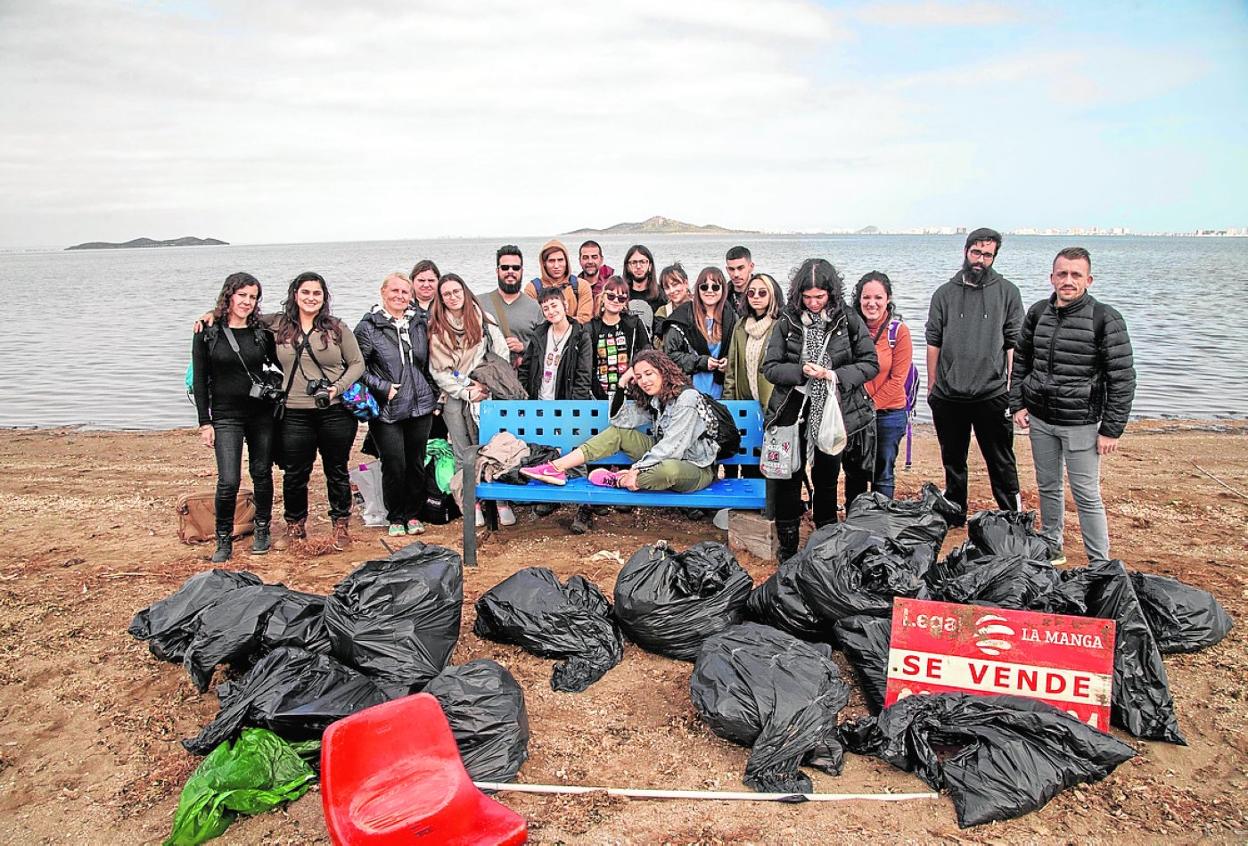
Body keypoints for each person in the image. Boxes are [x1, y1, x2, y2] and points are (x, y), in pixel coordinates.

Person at [1010, 247, 1136, 564]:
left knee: (1086, 495)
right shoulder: (1038, 313)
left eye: (1075, 274)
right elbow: (1022, 361)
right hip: (1040, 418)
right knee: (1048, 487)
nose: (1068, 280)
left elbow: (1122, 378)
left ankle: (1099, 562)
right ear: (1052, 278)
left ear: (1088, 280)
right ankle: (1052, 545)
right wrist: (1018, 404)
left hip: (1081, 423)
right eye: (1062, 274)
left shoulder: (1105, 319)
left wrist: (1111, 429)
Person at [763, 259, 878, 562]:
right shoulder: (786, 320)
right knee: (788, 476)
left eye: (820, 297)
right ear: (798, 294)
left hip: (833, 410)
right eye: (807, 297)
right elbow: (771, 368)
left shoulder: (848, 320)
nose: (813, 304)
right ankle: (788, 548)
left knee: (828, 477)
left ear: (832, 293)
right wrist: (801, 372)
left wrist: (834, 375)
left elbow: (870, 363)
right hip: (792, 409)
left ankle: (824, 541)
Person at [519, 349, 719, 495]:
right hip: (663, 457)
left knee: (669, 470)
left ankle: (619, 480)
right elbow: (620, 420)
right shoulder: (657, 399)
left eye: (649, 374)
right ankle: (555, 468)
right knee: (619, 433)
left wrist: (636, 469)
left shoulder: (687, 398)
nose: (644, 381)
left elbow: (673, 447)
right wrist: (622, 384)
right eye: (639, 377)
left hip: (695, 467)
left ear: (663, 371)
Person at [926, 227, 1024, 519]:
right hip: (949, 394)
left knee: (1001, 460)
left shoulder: (1008, 292)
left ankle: (1012, 515)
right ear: (966, 251)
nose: (981, 259)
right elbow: (934, 342)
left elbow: (1013, 344)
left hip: (992, 394)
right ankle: (955, 510)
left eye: (988, 255)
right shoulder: (944, 293)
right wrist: (932, 388)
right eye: (976, 252)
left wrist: (1012, 389)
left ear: (994, 257)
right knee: (953, 459)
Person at [272, 271, 366, 550]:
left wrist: (337, 388)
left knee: (336, 469)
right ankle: (295, 524)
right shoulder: (279, 326)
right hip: (294, 411)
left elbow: (357, 363)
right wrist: (209, 315)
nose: (311, 298)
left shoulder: (336, 328)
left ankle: (340, 525)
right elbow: (241, 317)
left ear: (324, 298)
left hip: (334, 410)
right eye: (306, 292)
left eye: (317, 293)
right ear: (295, 295)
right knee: (295, 472)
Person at [191, 272, 279, 562]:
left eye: (253, 297)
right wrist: (205, 422)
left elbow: (281, 363)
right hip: (226, 416)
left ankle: (263, 527)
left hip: (261, 415)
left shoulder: (261, 333)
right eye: (242, 295)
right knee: (228, 480)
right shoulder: (207, 332)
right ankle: (223, 537)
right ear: (229, 295)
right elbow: (201, 380)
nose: (247, 302)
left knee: (262, 473)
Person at [355, 272, 438, 538]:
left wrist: (432, 392)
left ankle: (414, 514)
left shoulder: (419, 323)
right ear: (383, 292)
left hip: (420, 405)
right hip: (386, 407)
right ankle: (395, 515)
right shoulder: (368, 327)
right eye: (395, 291)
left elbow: (431, 361)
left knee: (415, 461)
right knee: (394, 463)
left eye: (405, 292)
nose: (400, 296)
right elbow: (357, 367)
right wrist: (383, 388)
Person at [427, 272, 513, 528]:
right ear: (441, 300)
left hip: (486, 391)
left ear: (464, 291)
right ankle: (470, 502)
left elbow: (501, 353)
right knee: (462, 452)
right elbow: (439, 371)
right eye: (447, 294)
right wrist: (466, 390)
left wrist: (486, 382)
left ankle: (501, 502)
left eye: (456, 291)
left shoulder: (482, 319)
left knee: (492, 448)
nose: (453, 297)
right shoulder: (437, 329)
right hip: (456, 395)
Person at [852, 271, 913, 501]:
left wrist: (870, 406)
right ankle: (855, 522)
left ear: (887, 299)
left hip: (888, 414)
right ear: (859, 299)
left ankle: (882, 523)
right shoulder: (851, 330)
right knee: (855, 473)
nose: (872, 303)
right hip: (855, 415)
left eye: (878, 297)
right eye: (866, 297)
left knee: (883, 474)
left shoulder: (898, 332)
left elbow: (898, 380)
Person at [664, 266, 736, 400]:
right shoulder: (681, 317)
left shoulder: (732, 318)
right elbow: (669, 357)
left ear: (723, 290)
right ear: (697, 289)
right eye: (704, 287)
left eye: (715, 287)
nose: (709, 291)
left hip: (722, 391)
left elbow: (738, 354)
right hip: (688, 391)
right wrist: (701, 362)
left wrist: (728, 362)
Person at [519, 287, 595, 402]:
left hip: (565, 405)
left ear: (565, 305)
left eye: (554, 306)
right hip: (538, 402)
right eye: (546, 308)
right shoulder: (538, 335)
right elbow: (525, 369)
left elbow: (584, 376)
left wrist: (574, 406)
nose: (551, 311)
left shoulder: (580, 337)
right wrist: (526, 398)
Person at [723, 273, 782, 409]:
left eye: (762, 293)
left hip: (774, 405)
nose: (756, 296)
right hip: (746, 404)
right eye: (751, 292)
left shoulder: (781, 325)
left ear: (773, 295)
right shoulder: (740, 326)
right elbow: (731, 371)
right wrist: (729, 405)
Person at [481, 245, 544, 368]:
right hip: (488, 376)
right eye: (505, 267)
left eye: (515, 268)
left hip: (521, 377)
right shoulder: (479, 303)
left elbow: (545, 344)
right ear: (497, 271)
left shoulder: (534, 307)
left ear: (521, 271)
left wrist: (523, 347)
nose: (510, 271)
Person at [588, 276, 651, 400]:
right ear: (602, 297)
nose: (615, 301)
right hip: (598, 394)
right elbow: (586, 364)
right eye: (611, 296)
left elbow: (647, 355)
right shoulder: (590, 327)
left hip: (630, 393)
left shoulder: (635, 324)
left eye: (621, 298)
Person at [523, 240, 594, 324]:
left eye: (560, 260)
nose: (556, 266)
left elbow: (585, 318)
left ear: (566, 261)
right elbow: (531, 321)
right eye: (551, 261)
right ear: (544, 263)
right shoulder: (532, 289)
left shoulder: (581, 285)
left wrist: (559, 323)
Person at [622, 244, 665, 334]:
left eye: (642, 262)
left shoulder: (661, 295)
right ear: (627, 267)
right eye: (633, 262)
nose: (638, 266)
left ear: (650, 266)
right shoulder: (620, 295)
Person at [653, 262, 691, 344]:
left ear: (686, 283)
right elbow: (659, 342)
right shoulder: (663, 312)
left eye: (675, 284)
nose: (672, 291)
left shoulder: (701, 306)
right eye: (667, 287)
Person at [578, 240, 615, 307]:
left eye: (594, 257)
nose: (590, 261)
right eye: (585, 257)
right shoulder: (574, 287)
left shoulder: (613, 286)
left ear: (601, 260)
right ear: (580, 261)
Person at [724, 245, 755, 317]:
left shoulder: (765, 293)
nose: (736, 274)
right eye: (731, 269)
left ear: (751, 267)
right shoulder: (722, 296)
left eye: (740, 268)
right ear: (727, 269)